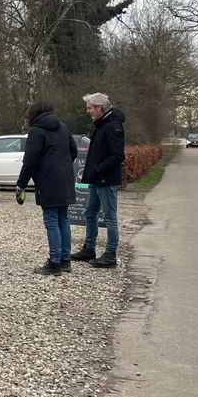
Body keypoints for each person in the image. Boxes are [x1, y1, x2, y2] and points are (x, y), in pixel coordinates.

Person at [15, 101, 78, 275]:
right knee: (63, 219)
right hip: (65, 179)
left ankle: (54, 263)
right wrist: (62, 165)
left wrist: (21, 184)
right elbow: (73, 151)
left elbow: (30, 161)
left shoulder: (36, 131)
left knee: (51, 221)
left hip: (48, 181)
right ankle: (65, 260)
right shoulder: (63, 127)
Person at [71, 92, 125, 268]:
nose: (88, 111)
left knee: (110, 217)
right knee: (89, 213)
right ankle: (89, 248)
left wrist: (98, 169)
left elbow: (118, 155)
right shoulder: (102, 124)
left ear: (100, 108)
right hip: (96, 179)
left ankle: (110, 255)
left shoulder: (113, 126)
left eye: (90, 108)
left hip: (105, 180)